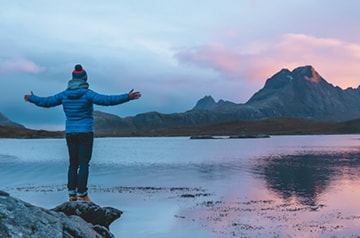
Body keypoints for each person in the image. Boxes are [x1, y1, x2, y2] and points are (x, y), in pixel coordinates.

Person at [24, 64, 141, 202]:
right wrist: (127, 97)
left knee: (73, 164)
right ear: (85, 79)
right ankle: (82, 194)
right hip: (85, 132)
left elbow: (47, 102)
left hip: (70, 133)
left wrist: (32, 98)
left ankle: (71, 194)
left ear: (73, 79)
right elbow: (107, 100)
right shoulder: (87, 94)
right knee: (84, 163)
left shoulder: (64, 94)